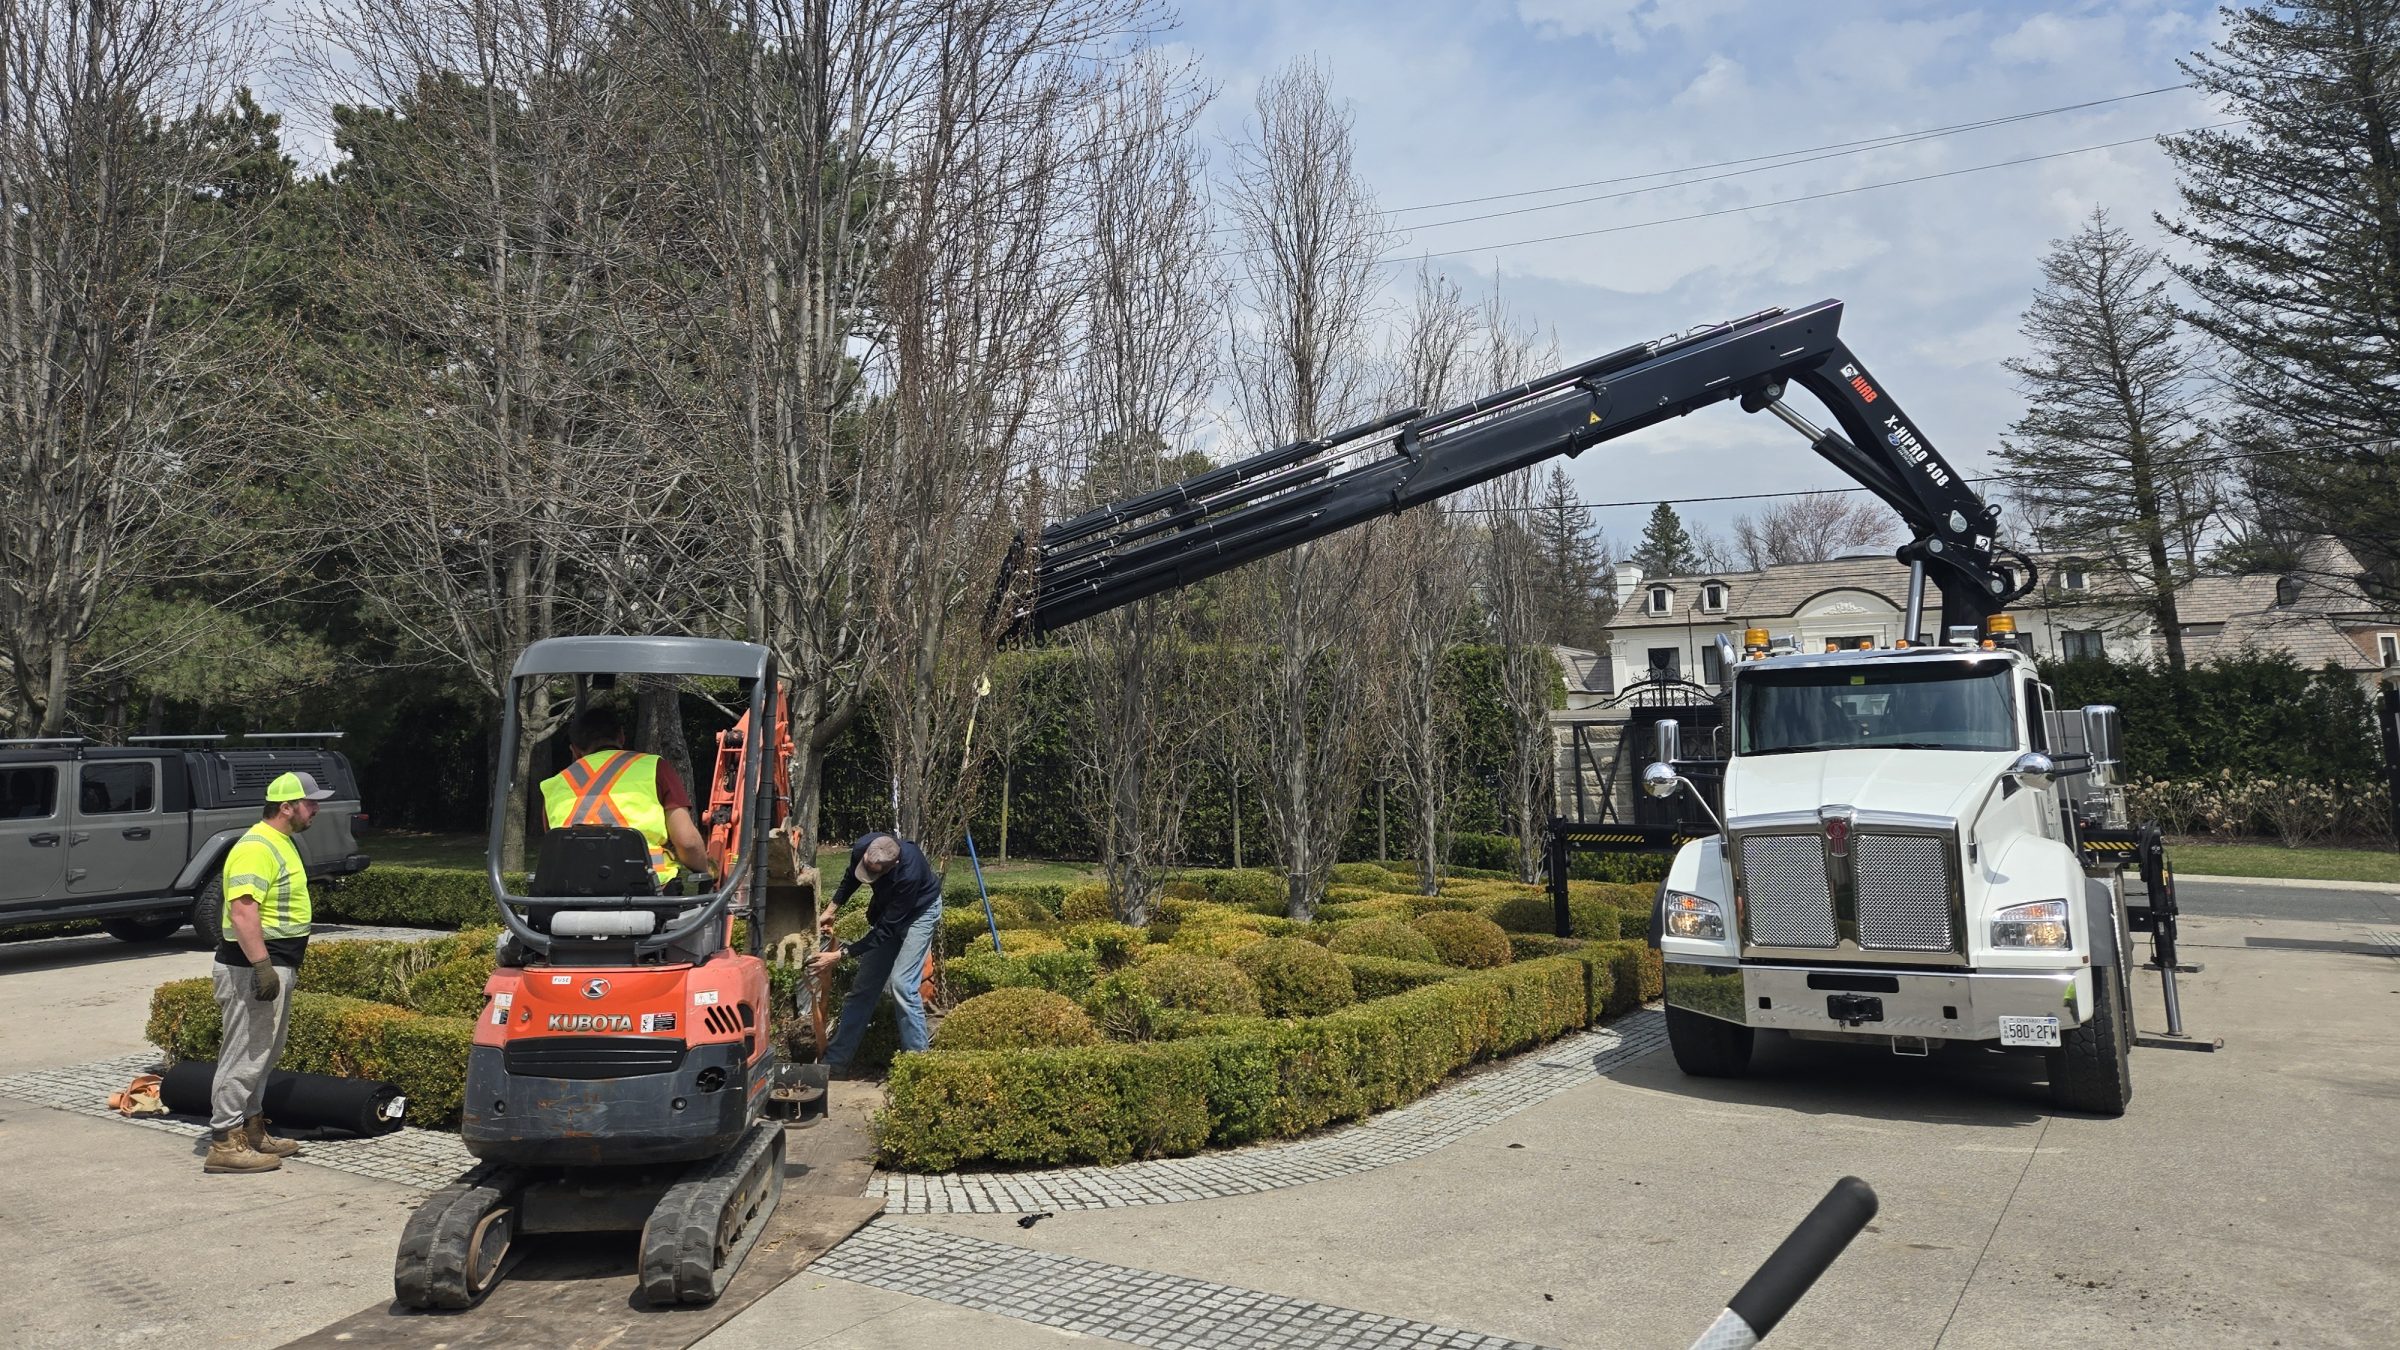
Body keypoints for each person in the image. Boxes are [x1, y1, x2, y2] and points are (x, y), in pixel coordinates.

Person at [204, 770, 335, 1175]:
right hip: (252, 967)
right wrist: (262, 966)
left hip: (274, 962)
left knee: (264, 1052)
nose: (316, 809)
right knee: (245, 1052)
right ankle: (225, 1141)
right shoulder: (256, 847)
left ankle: (252, 1129)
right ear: (286, 807)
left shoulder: (281, 841)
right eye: (310, 803)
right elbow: (242, 910)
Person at [809, 832, 943, 1074]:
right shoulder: (864, 846)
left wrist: (840, 955)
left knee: (902, 985)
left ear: (892, 867)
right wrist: (831, 909)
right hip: (889, 911)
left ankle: (920, 1068)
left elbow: (884, 931)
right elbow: (851, 877)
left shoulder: (908, 874)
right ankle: (835, 1064)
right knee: (862, 989)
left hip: (919, 914)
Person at [540, 705, 710, 892]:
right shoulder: (654, 768)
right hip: (649, 893)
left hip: (570, 894)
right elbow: (687, 841)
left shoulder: (553, 785)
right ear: (621, 736)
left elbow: (555, 848)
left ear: (575, 751)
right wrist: (707, 869)